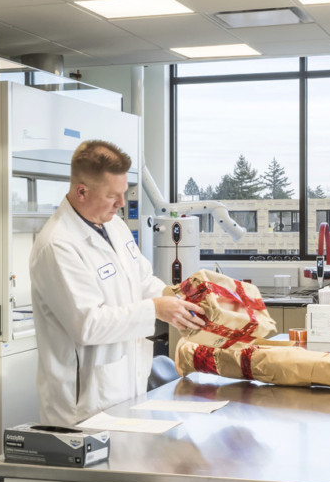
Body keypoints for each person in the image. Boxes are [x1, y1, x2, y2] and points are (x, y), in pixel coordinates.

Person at [30, 140, 203, 426]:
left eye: (122, 194)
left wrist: (176, 297)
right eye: (113, 196)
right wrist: (156, 309)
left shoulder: (114, 225)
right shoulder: (58, 245)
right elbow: (88, 324)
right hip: (84, 405)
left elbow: (141, 278)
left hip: (126, 391)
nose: (122, 204)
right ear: (81, 191)